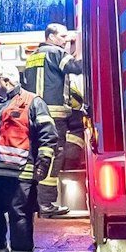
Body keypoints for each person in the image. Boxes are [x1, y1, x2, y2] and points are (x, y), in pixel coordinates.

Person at [0, 63, 60, 252]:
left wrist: (43, 163)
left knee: (20, 220)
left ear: (6, 80)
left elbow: (48, 135)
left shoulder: (33, 102)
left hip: (20, 175)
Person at [21, 23, 83, 216]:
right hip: (54, 116)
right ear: (51, 36)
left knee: (36, 156)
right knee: (54, 155)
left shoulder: (33, 57)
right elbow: (75, 68)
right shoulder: (56, 53)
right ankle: (46, 204)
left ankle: (33, 202)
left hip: (33, 114)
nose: (65, 40)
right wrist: (83, 51)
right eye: (63, 37)